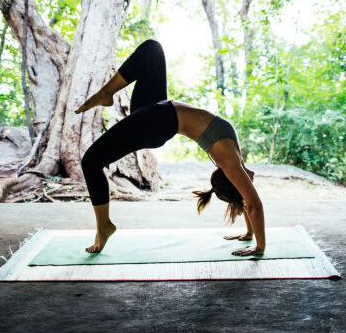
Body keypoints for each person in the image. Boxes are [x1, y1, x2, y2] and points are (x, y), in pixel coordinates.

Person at [75, 39, 265, 257]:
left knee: (91, 162)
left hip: (157, 122)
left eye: (245, 182)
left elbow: (253, 204)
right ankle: (106, 92)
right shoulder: (234, 156)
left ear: (232, 178)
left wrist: (259, 246)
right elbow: (245, 199)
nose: (252, 177)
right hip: (155, 108)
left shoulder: (227, 158)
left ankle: (104, 227)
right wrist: (249, 233)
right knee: (152, 49)